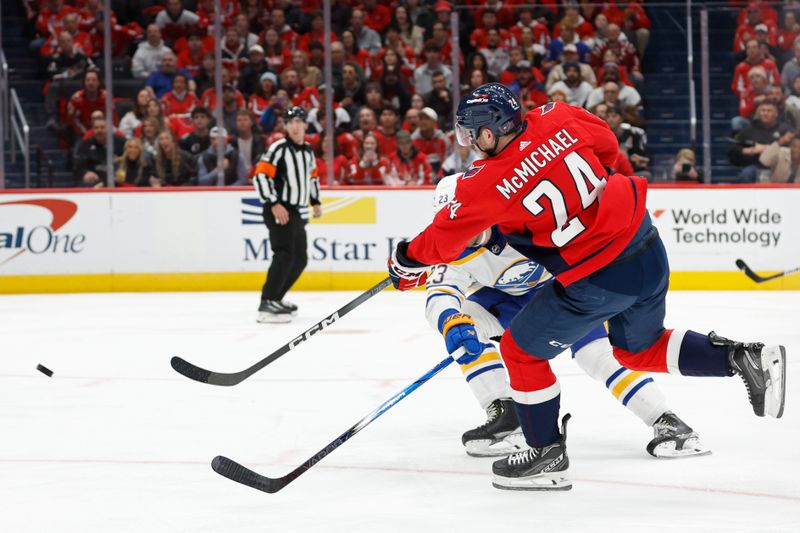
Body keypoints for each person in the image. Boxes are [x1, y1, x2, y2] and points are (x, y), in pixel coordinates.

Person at [387, 83, 786, 491]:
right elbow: (607, 146)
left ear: (489, 133)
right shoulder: (556, 114)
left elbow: (439, 242)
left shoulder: (485, 183)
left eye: (472, 134)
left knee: (520, 351)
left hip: (598, 275)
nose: (470, 144)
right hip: (645, 243)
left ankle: (546, 455)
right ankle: (742, 357)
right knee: (638, 348)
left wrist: (403, 260)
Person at [426, 174, 709, 459]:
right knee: (464, 331)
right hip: (507, 302)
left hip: (562, 293)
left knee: (596, 355)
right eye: (452, 221)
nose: (460, 229)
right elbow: (439, 294)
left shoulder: (521, 216)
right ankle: (506, 415)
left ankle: (665, 419)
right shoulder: (447, 246)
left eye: (464, 217)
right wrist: (452, 320)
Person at [252, 106, 323, 323]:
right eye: (290, 121)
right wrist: (273, 203)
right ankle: (267, 301)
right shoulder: (278, 148)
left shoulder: (308, 151)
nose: (294, 125)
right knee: (284, 253)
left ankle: (276, 298)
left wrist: (316, 201)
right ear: (285, 125)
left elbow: (312, 178)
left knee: (300, 258)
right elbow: (260, 176)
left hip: (295, 210)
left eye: (298, 121)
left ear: (305, 125)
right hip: (279, 208)